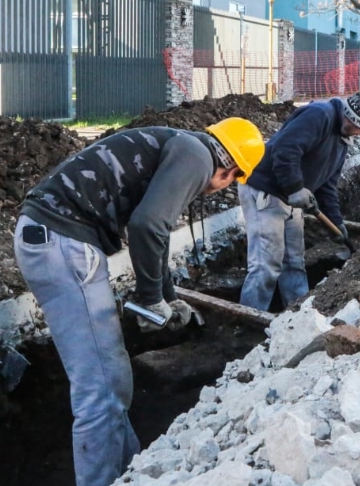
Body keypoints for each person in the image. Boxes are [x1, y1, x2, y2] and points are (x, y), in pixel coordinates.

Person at [14, 118, 265, 486]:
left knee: (113, 380)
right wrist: (150, 301)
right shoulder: (198, 158)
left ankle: (132, 471)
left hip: (54, 237)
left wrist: (168, 295)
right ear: (230, 171)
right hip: (62, 244)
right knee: (99, 387)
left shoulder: (183, 145)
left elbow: (154, 234)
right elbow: (148, 226)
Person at [239, 84, 360, 312]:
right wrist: (295, 188)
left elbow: (328, 187)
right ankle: (249, 318)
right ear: (359, 117)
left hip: (291, 197)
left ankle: (299, 315)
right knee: (266, 265)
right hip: (265, 191)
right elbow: (285, 149)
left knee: (294, 263)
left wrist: (336, 221)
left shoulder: (341, 143)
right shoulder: (319, 115)